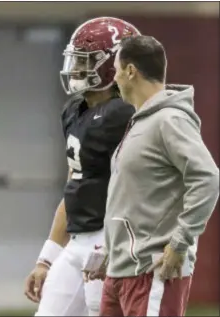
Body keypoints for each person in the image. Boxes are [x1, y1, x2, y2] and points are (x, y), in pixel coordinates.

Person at [90, 35, 219, 316]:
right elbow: (129, 199)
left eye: (116, 70)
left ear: (131, 71)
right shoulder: (141, 122)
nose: (114, 79)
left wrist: (180, 241)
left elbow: (207, 178)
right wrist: (108, 253)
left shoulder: (170, 120)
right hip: (119, 272)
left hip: (153, 271)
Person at [24, 17, 141, 316]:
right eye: (76, 60)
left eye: (86, 60)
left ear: (112, 64)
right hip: (77, 241)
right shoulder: (75, 110)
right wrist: (45, 259)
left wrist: (118, 245)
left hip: (111, 237)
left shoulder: (126, 114)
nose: (75, 68)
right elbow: (73, 187)